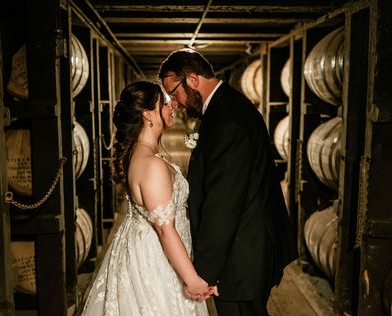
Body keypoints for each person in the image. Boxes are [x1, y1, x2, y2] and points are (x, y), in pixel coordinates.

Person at [159, 49, 298, 316]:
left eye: (174, 92)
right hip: (243, 248)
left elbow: (223, 204)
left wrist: (205, 272)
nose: (175, 102)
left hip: (240, 255)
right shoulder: (226, 107)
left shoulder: (227, 120)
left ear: (192, 79)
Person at [82, 81, 212, 315]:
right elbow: (164, 229)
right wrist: (192, 279)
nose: (172, 105)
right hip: (155, 260)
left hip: (146, 249)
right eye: (164, 103)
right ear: (148, 114)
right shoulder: (152, 164)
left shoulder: (142, 153)